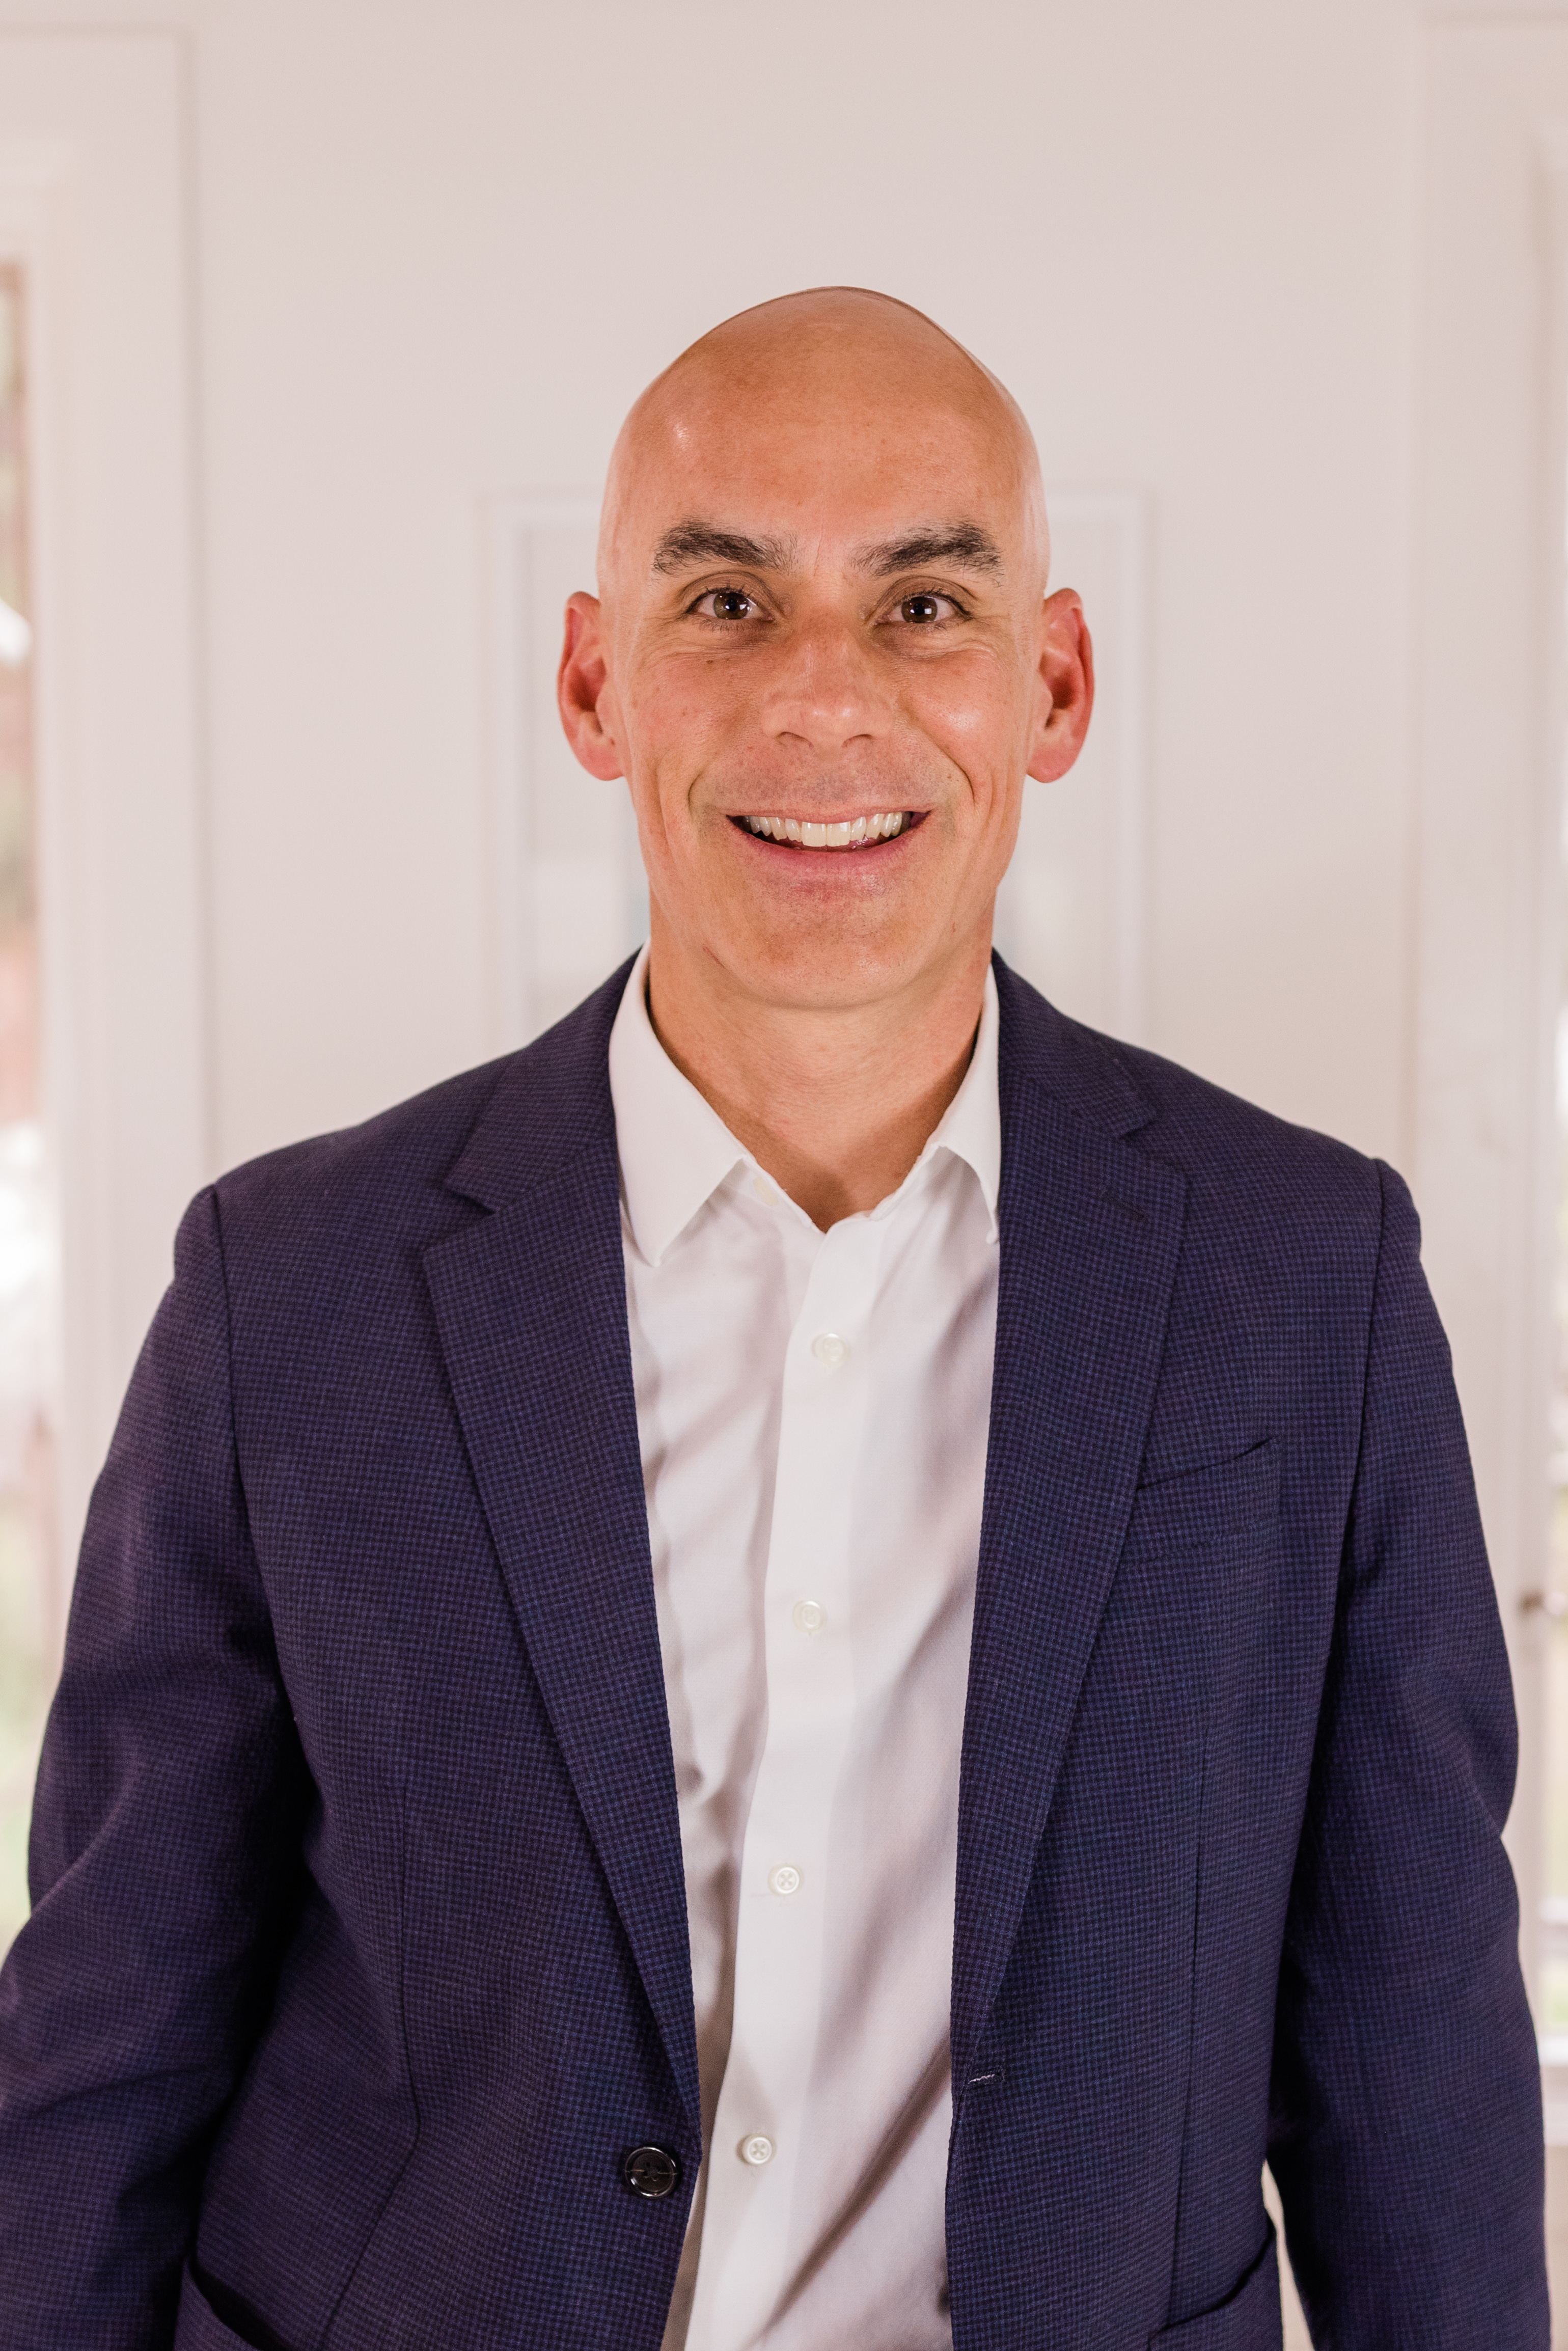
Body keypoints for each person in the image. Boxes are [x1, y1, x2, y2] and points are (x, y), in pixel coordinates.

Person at [0, 286, 1547, 2351]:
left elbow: (1415, 2075)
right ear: (593, 680)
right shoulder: (285, 1293)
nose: (825, 696)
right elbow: (104, 2049)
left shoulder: (1308, 1283)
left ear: (1054, 684)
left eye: (925, 605)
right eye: (725, 601)